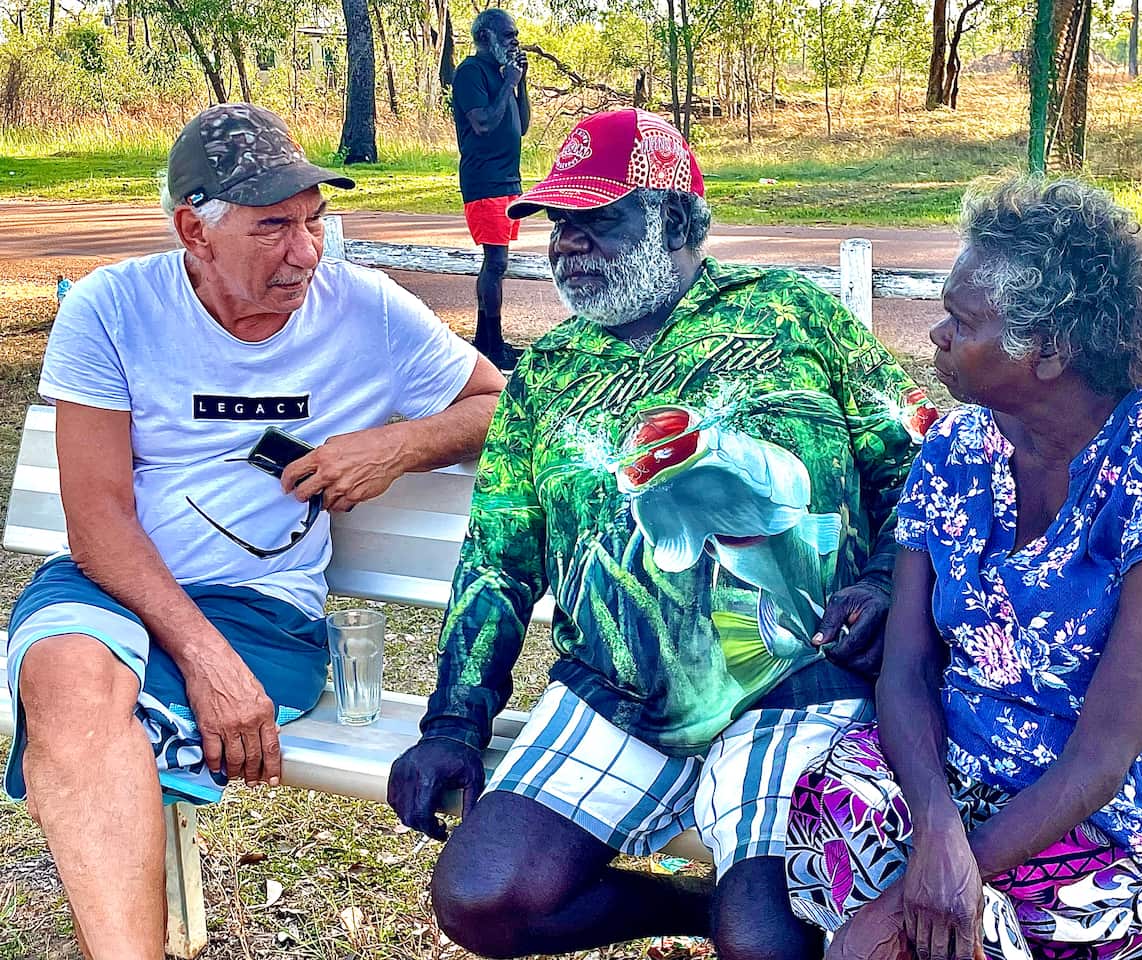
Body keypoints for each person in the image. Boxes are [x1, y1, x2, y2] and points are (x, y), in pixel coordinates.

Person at [388, 108, 938, 960]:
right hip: (618, 695)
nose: (567, 243)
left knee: (764, 940)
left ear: (678, 221)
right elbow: (497, 561)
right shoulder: (549, 372)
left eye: (596, 220)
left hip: (791, 678)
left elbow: (917, 472)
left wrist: (881, 582)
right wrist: (455, 722)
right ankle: (692, 908)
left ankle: (736, 909)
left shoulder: (790, 316)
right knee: (480, 898)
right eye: (557, 224)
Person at [3, 103, 505, 960]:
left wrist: (396, 443)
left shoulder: (367, 312)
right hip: (111, 585)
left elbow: (497, 404)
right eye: (273, 227)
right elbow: (98, 522)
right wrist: (206, 661)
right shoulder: (112, 309)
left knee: (84, 723)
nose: (306, 253)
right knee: (67, 684)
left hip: (263, 610)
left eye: (313, 221)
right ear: (192, 230)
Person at [785, 177, 1142, 960]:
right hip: (976, 767)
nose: (938, 336)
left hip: (1140, 814)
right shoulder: (959, 447)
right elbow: (908, 669)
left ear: (1050, 348)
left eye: (963, 320)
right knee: (831, 799)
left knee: (913, 938)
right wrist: (942, 839)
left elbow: (1104, 757)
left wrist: (957, 871)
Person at [452, 8, 530, 371]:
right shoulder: (470, 72)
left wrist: (521, 82)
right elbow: (482, 123)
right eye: (508, 35)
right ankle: (491, 344)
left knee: (497, 263)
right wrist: (508, 84)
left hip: (508, 179)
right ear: (485, 37)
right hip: (484, 180)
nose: (515, 41)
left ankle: (486, 342)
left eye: (515, 35)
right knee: (496, 263)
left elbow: (522, 125)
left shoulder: (503, 76)